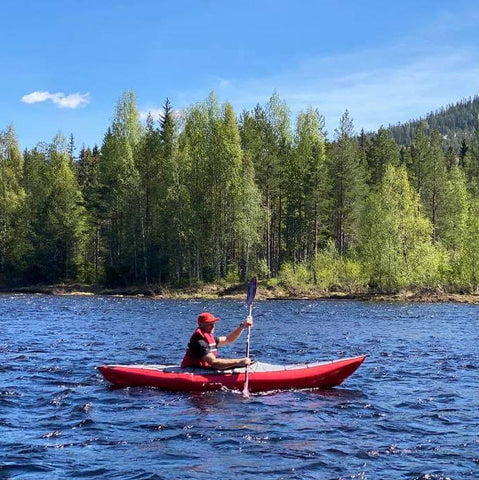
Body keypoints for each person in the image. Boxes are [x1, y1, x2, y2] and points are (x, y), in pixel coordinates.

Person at [181, 312, 253, 369]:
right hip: (192, 370)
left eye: (213, 323)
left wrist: (243, 326)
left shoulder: (208, 337)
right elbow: (214, 362)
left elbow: (229, 339)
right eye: (209, 324)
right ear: (201, 325)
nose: (213, 326)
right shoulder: (199, 342)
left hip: (203, 369)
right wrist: (238, 361)